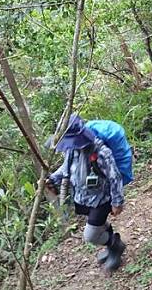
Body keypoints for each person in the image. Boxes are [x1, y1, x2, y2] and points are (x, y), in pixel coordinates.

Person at [46, 114, 126, 272]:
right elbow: (67, 168)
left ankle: (115, 245)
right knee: (98, 225)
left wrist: (117, 201)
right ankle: (111, 247)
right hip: (82, 197)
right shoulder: (72, 150)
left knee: (90, 235)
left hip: (101, 199)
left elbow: (114, 176)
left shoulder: (101, 152)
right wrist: (53, 178)